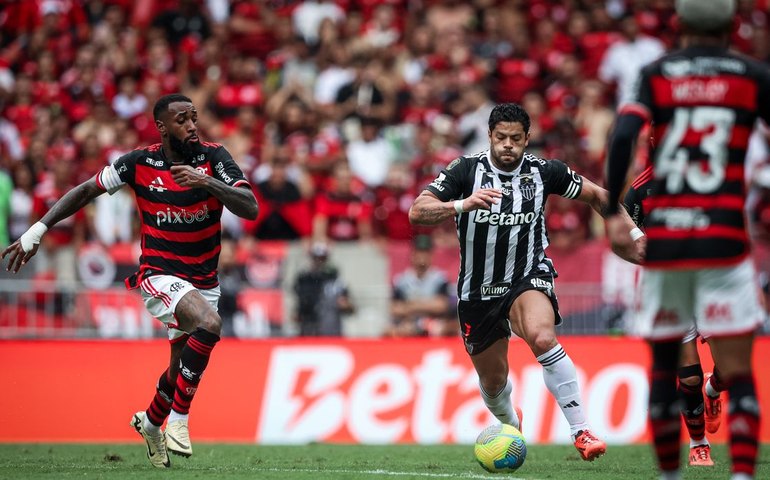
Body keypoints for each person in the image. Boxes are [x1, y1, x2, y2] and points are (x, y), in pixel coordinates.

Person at [1, 94, 258, 469]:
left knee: (178, 370)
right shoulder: (139, 162)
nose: (191, 126)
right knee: (210, 324)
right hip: (160, 273)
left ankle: (151, 424)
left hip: (204, 280)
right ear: (162, 127)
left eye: (194, 117)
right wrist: (37, 229)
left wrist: (207, 182)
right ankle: (179, 423)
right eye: (182, 120)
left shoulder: (214, 157)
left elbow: (250, 206)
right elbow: (86, 190)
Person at [408, 102, 643, 461]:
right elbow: (417, 211)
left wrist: (636, 233)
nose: (508, 145)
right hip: (477, 290)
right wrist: (462, 204)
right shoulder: (465, 170)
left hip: (527, 275)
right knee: (493, 383)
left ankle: (581, 430)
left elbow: (599, 196)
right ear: (489, 135)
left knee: (542, 336)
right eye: (501, 137)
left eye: (515, 138)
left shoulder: (544, 171)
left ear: (527, 138)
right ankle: (511, 424)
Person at [605, 1, 769, 478]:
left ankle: (670, 472)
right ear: (733, 26)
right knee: (735, 373)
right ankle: (733, 467)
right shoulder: (751, 74)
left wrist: (612, 211)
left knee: (669, 373)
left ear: (677, 26)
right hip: (724, 239)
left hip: (671, 249)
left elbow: (622, 136)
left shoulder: (657, 74)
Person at [623, 166, 727, 467]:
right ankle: (699, 444)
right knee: (689, 377)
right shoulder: (640, 189)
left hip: (709, 283)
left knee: (729, 370)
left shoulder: (709, 174)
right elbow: (624, 234)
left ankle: (713, 389)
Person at [386, 234, 455, 337]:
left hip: (433, 324)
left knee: (447, 327)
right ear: (412, 254)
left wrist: (412, 306)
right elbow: (394, 308)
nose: (422, 256)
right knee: (390, 330)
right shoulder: (402, 280)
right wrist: (426, 305)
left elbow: (442, 305)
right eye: (419, 252)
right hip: (408, 324)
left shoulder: (440, 278)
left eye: (425, 252)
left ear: (431, 255)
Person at [292, 242, 353, 336]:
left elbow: (348, 306)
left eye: (322, 258)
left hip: (331, 330)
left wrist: (346, 305)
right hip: (309, 329)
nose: (318, 261)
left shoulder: (335, 281)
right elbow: (299, 307)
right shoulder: (304, 279)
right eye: (315, 258)